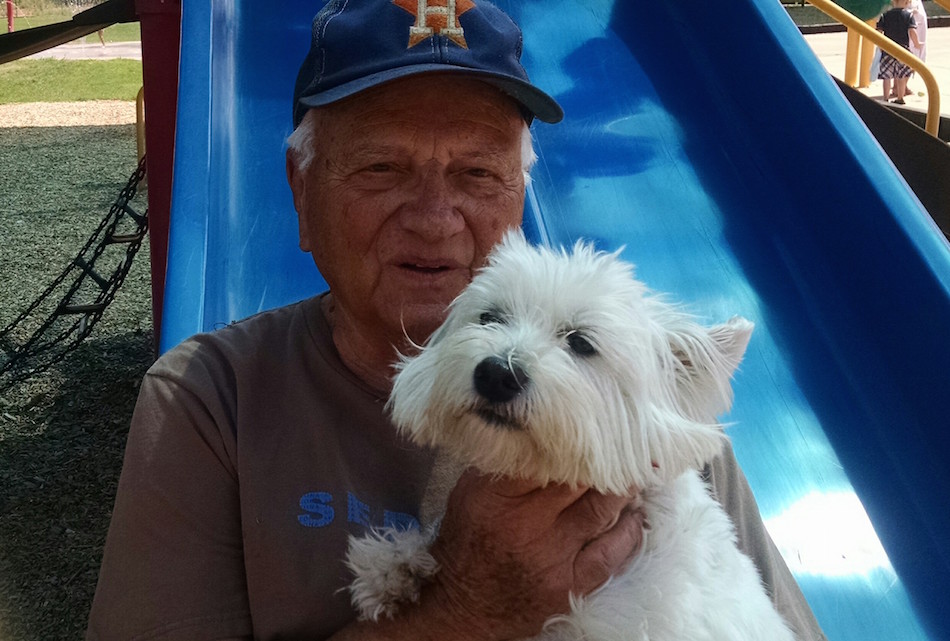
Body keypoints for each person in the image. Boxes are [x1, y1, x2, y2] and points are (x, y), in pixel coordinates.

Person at [86, 1, 827, 640]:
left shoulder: (648, 415)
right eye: (382, 168)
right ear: (302, 190)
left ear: (521, 195)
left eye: (478, 174)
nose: (436, 219)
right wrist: (464, 611)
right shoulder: (213, 403)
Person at [876, 0, 922, 104]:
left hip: (888, 48)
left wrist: (880, 45)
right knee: (901, 76)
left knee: (886, 77)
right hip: (903, 50)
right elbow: (912, 31)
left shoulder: (885, 15)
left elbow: (879, 32)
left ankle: (886, 98)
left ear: (892, 2)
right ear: (907, 2)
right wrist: (917, 44)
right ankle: (900, 98)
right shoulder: (909, 15)